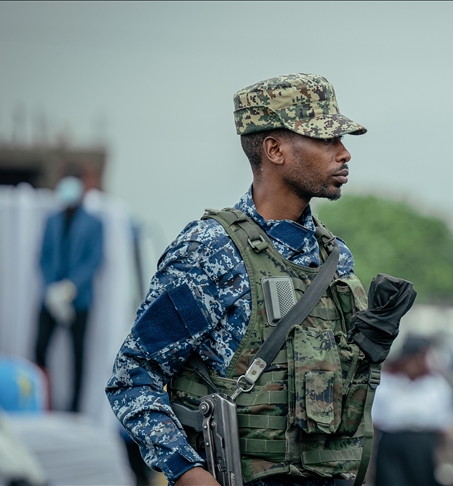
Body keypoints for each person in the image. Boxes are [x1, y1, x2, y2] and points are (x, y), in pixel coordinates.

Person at [107, 73, 378, 486]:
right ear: (274, 150)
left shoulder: (333, 258)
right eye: (326, 139)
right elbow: (133, 376)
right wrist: (188, 472)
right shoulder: (210, 251)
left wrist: (369, 353)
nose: (344, 153)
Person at [35, 172, 104, 412]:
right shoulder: (52, 220)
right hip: (50, 297)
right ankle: (42, 401)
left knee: (78, 354)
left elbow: (93, 260)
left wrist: (70, 288)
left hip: (79, 299)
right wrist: (51, 289)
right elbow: (43, 256)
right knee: (39, 348)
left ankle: (75, 408)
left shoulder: (95, 223)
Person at [370, 336, 453, 486]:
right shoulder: (386, 381)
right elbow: (374, 422)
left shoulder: (436, 385)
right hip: (391, 446)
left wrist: (447, 457)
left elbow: (446, 426)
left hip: (423, 447)